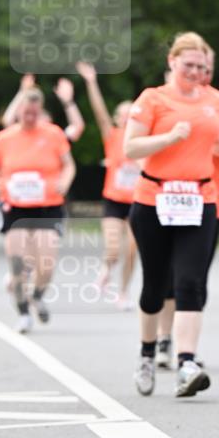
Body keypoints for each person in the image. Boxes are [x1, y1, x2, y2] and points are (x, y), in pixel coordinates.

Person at [124, 32, 219, 398]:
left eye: (201, 67)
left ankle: (186, 362)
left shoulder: (218, 101)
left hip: (199, 197)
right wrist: (170, 138)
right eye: (188, 65)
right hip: (153, 197)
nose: (194, 72)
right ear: (173, 62)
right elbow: (131, 147)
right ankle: (147, 355)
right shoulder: (153, 99)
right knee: (156, 284)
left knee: (191, 281)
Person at [0, 87, 75, 332]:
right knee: (17, 264)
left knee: (46, 264)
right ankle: (23, 313)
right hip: (16, 208)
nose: (30, 117)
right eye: (26, 112)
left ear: (40, 111)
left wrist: (65, 181)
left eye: (34, 113)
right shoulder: (5, 138)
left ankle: (36, 295)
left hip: (48, 207)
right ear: (19, 111)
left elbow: (69, 165)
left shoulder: (53, 134)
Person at [76, 61, 138, 309]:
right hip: (114, 199)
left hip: (137, 202)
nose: (127, 118)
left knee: (132, 251)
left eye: (131, 114)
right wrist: (91, 82)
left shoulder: (144, 138)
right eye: (123, 115)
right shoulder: (112, 136)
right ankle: (104, 270)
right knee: (113, 248)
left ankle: (123, 292)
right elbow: (99, 112)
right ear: (117, 118)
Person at [3, 74, 85, 142]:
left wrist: (68, 102)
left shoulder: (54, 136)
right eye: (28, 113)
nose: (32, 118)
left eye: (37, 114)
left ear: (49, 119)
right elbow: (8, 120)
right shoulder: (19, 136)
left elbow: (77, 127)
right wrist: (22, 92)